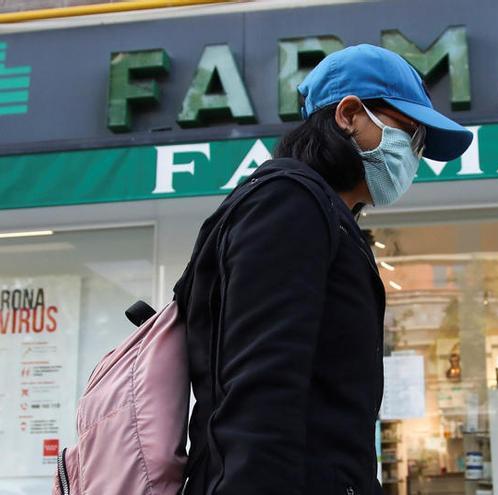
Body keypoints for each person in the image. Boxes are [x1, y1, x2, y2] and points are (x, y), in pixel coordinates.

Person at [172, 44, 472, 494]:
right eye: (409, 135)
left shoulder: (323, 216)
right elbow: (261, 391)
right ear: (349, 114)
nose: (415, 156)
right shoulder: (289, 204)